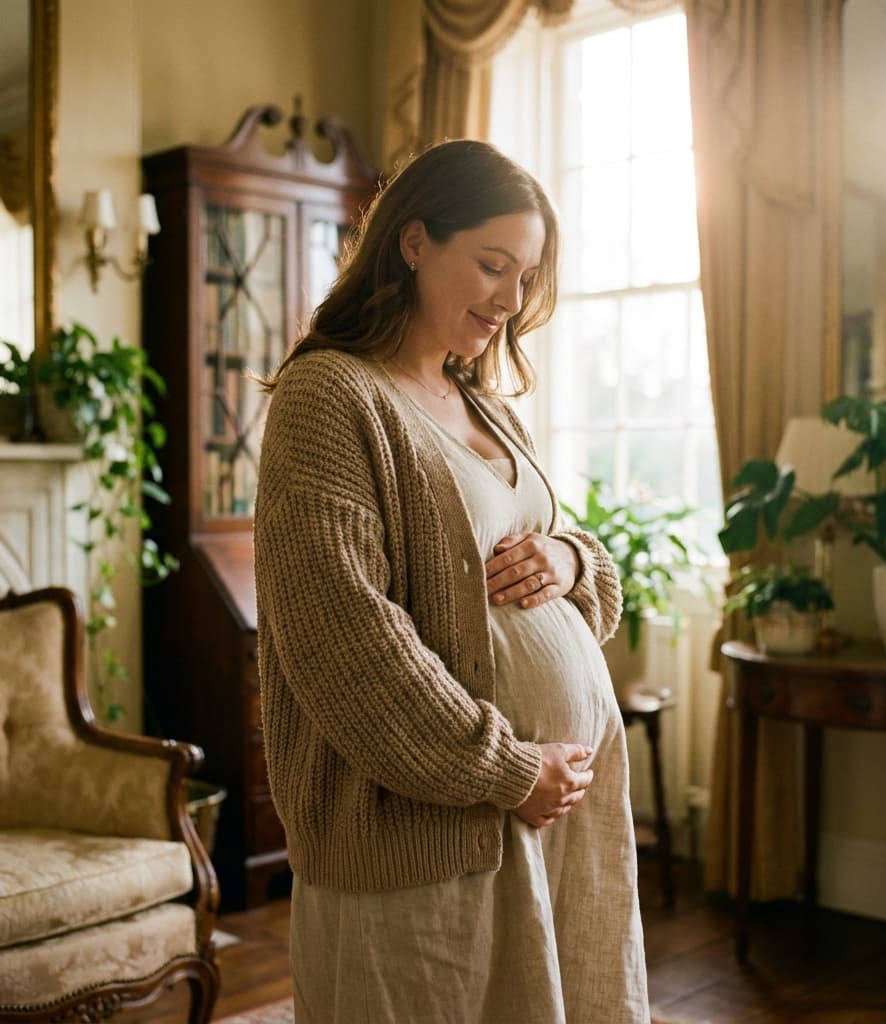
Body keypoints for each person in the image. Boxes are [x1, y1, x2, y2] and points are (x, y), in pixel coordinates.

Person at [254, 139, 650, 1023]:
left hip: (546, 821)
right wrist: (509, 769)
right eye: (492, 266)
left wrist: (573, 559)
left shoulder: (486, 405)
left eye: (527, 276)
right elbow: (343, 639)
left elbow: (578, 558)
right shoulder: (333, 398)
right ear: (414, 242)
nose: (511, 301)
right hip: (426, 834)